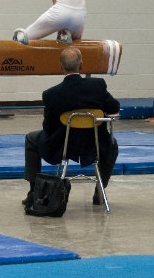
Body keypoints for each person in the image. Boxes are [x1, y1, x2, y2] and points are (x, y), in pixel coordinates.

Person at [22, 47, 119, 207]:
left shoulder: (51, 94)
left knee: (31, 139)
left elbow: (48, 127)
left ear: (61, 67)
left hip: (63, 147)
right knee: (112, 145)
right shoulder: (97, 86)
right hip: (94, 146)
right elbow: (114, 108)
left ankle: (34, 191)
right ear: (81, 64)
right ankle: (99, 191)